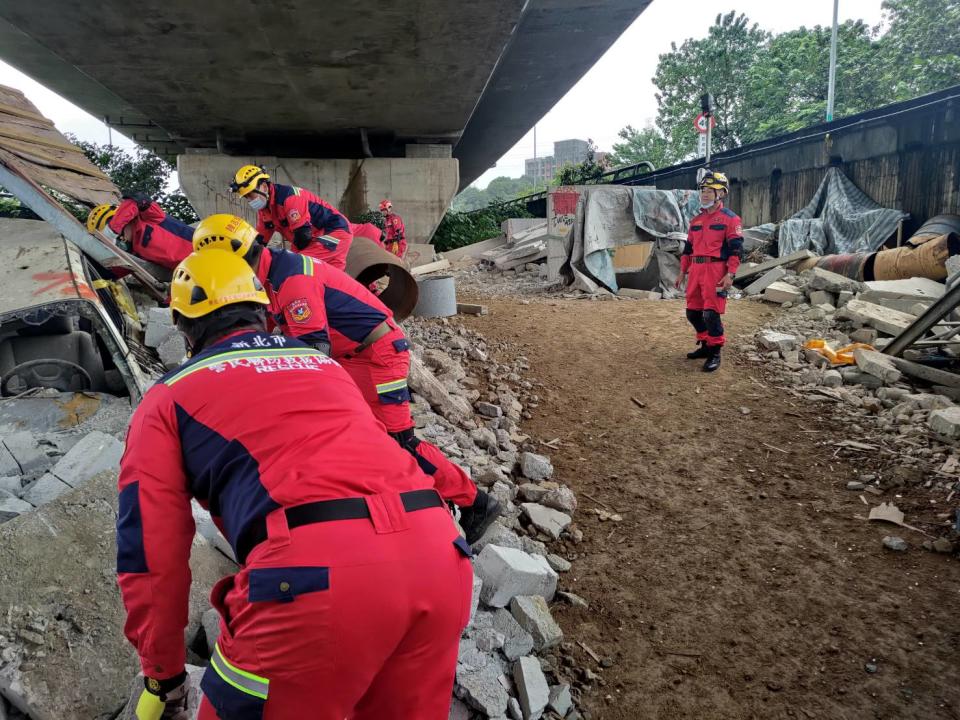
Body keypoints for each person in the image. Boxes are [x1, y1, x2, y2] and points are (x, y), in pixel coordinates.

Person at [118, 250, 473, 719]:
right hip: (439, 556)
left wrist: (163, 671)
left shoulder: (168, 397)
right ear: (266, 310)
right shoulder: (323, 366)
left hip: (311, 580)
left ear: (183, 326)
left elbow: (150, 548)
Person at [192, 214, 501, 542]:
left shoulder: (291, 280)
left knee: (399, 441)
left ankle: (475, 501)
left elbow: (314, 349)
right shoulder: (269, 272)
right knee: (351, 429)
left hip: (377, 356)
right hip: (352, 354)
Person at [675, 171, 743, 372]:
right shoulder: (695, 221)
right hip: (696, 269)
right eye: (702, 190)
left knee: (711, 314)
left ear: (721, 193)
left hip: (716, 270)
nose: (704, 194)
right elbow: (688, 250)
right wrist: (682, 272)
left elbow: (737, 249)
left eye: (709, 190)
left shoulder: (731, 219)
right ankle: (705, 345)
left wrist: (730, 274)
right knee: (693, 312)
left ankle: (715, 352)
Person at [229, 165, 353, 270]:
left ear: (264, 187)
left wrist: (286, 259)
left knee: (296, 268)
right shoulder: (265, 211)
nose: (250, 200)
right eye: (246, 197)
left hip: (335, 232)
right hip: (316, 238)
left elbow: (303, 236)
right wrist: (240, 256)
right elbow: (259, 242)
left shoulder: (290, 198)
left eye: (251, 194)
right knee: (331, 280)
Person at [86, 195, 193, 270]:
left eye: (119, 236)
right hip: (194, 270)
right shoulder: (137, 252)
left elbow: (136, 200)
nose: (120, 240)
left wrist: (111, 231)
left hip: (203, 248)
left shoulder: (151, 217)